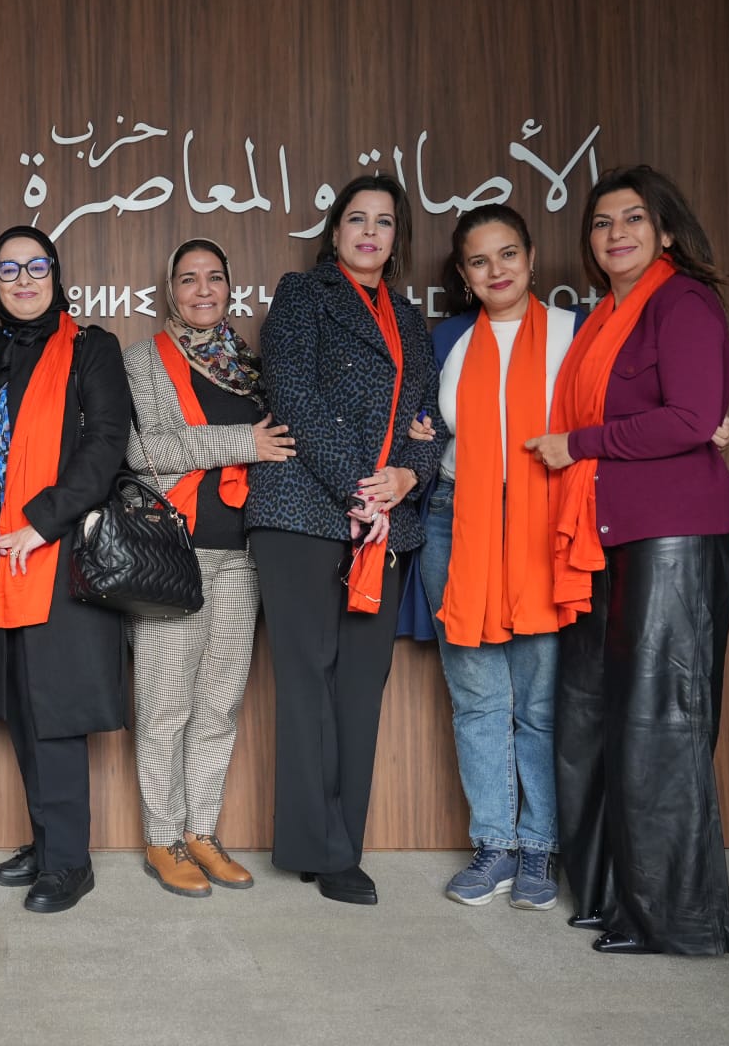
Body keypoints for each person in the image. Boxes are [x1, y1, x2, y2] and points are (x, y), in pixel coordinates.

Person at [526, 166, 729, 955]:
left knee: (661, 724)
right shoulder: (604, 319)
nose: (615, 233)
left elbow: (691, 417)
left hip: (672, 539)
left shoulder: (682, 302)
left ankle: (673, 920)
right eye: (601, 222)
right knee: (590, 717)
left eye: (632, 218)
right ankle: (608, 893)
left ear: (665, 230)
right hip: (606, 536)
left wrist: (579, 444)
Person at [244, 173, 441, 906]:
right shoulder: (304, 295)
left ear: (396, 238)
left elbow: (429, 420)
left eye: (384, 222)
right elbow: (293, 395)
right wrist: (364, 486)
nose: (369, 233)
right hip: (302, 513)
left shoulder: (409, 319)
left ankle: (339, 845)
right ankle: (319, 850)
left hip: (384, 522)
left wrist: (408, 476)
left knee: (360, 685)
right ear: (335, 233)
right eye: (357, 219)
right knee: (308, 683)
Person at [0, 225, 131, 914]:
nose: (23, 280)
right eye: (8, 269)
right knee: (23, 705)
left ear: (56, 273)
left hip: (57, 553)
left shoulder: (91, 347)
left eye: (35, 266)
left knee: (55, 708)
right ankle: (48, 839)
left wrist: (40, 521)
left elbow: (105, 445)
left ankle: (69, 862)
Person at [407, 205, 577, 910]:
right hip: (457, 523)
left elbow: (615, 413)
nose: (496, 270)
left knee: (538, 701)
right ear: (464, 274)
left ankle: (540, 847)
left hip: (542, 524)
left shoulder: (574, 331)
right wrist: (419, 434)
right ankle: (494, 845)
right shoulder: (446, 339)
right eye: (479, 261)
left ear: (531, 257)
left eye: (508, 254)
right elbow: (418, 424)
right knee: (478, 699)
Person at [122, 238, 294, 897]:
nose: (202, 289)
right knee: (166, 705)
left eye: (214, 277)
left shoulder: (251, 369)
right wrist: (243, 442)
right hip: (172, 554)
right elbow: (146, 452)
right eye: (188, 279)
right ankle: (162, 837)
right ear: (170, 291)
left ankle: (201, 832)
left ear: (229, 288)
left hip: (241, 557)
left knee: (218, 706)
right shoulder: (143, 361)